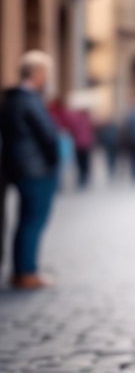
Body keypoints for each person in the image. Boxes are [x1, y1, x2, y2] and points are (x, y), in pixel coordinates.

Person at [0, 50, 59, 289]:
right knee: (33, 220)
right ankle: (27, 272)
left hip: (17, 167)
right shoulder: (30, 100)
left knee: (24, 221)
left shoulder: (11, 99)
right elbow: (48, 136)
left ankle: (20, 270)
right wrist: (54, 162)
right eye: (46, 72)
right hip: (36, 170)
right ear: (37, 73)